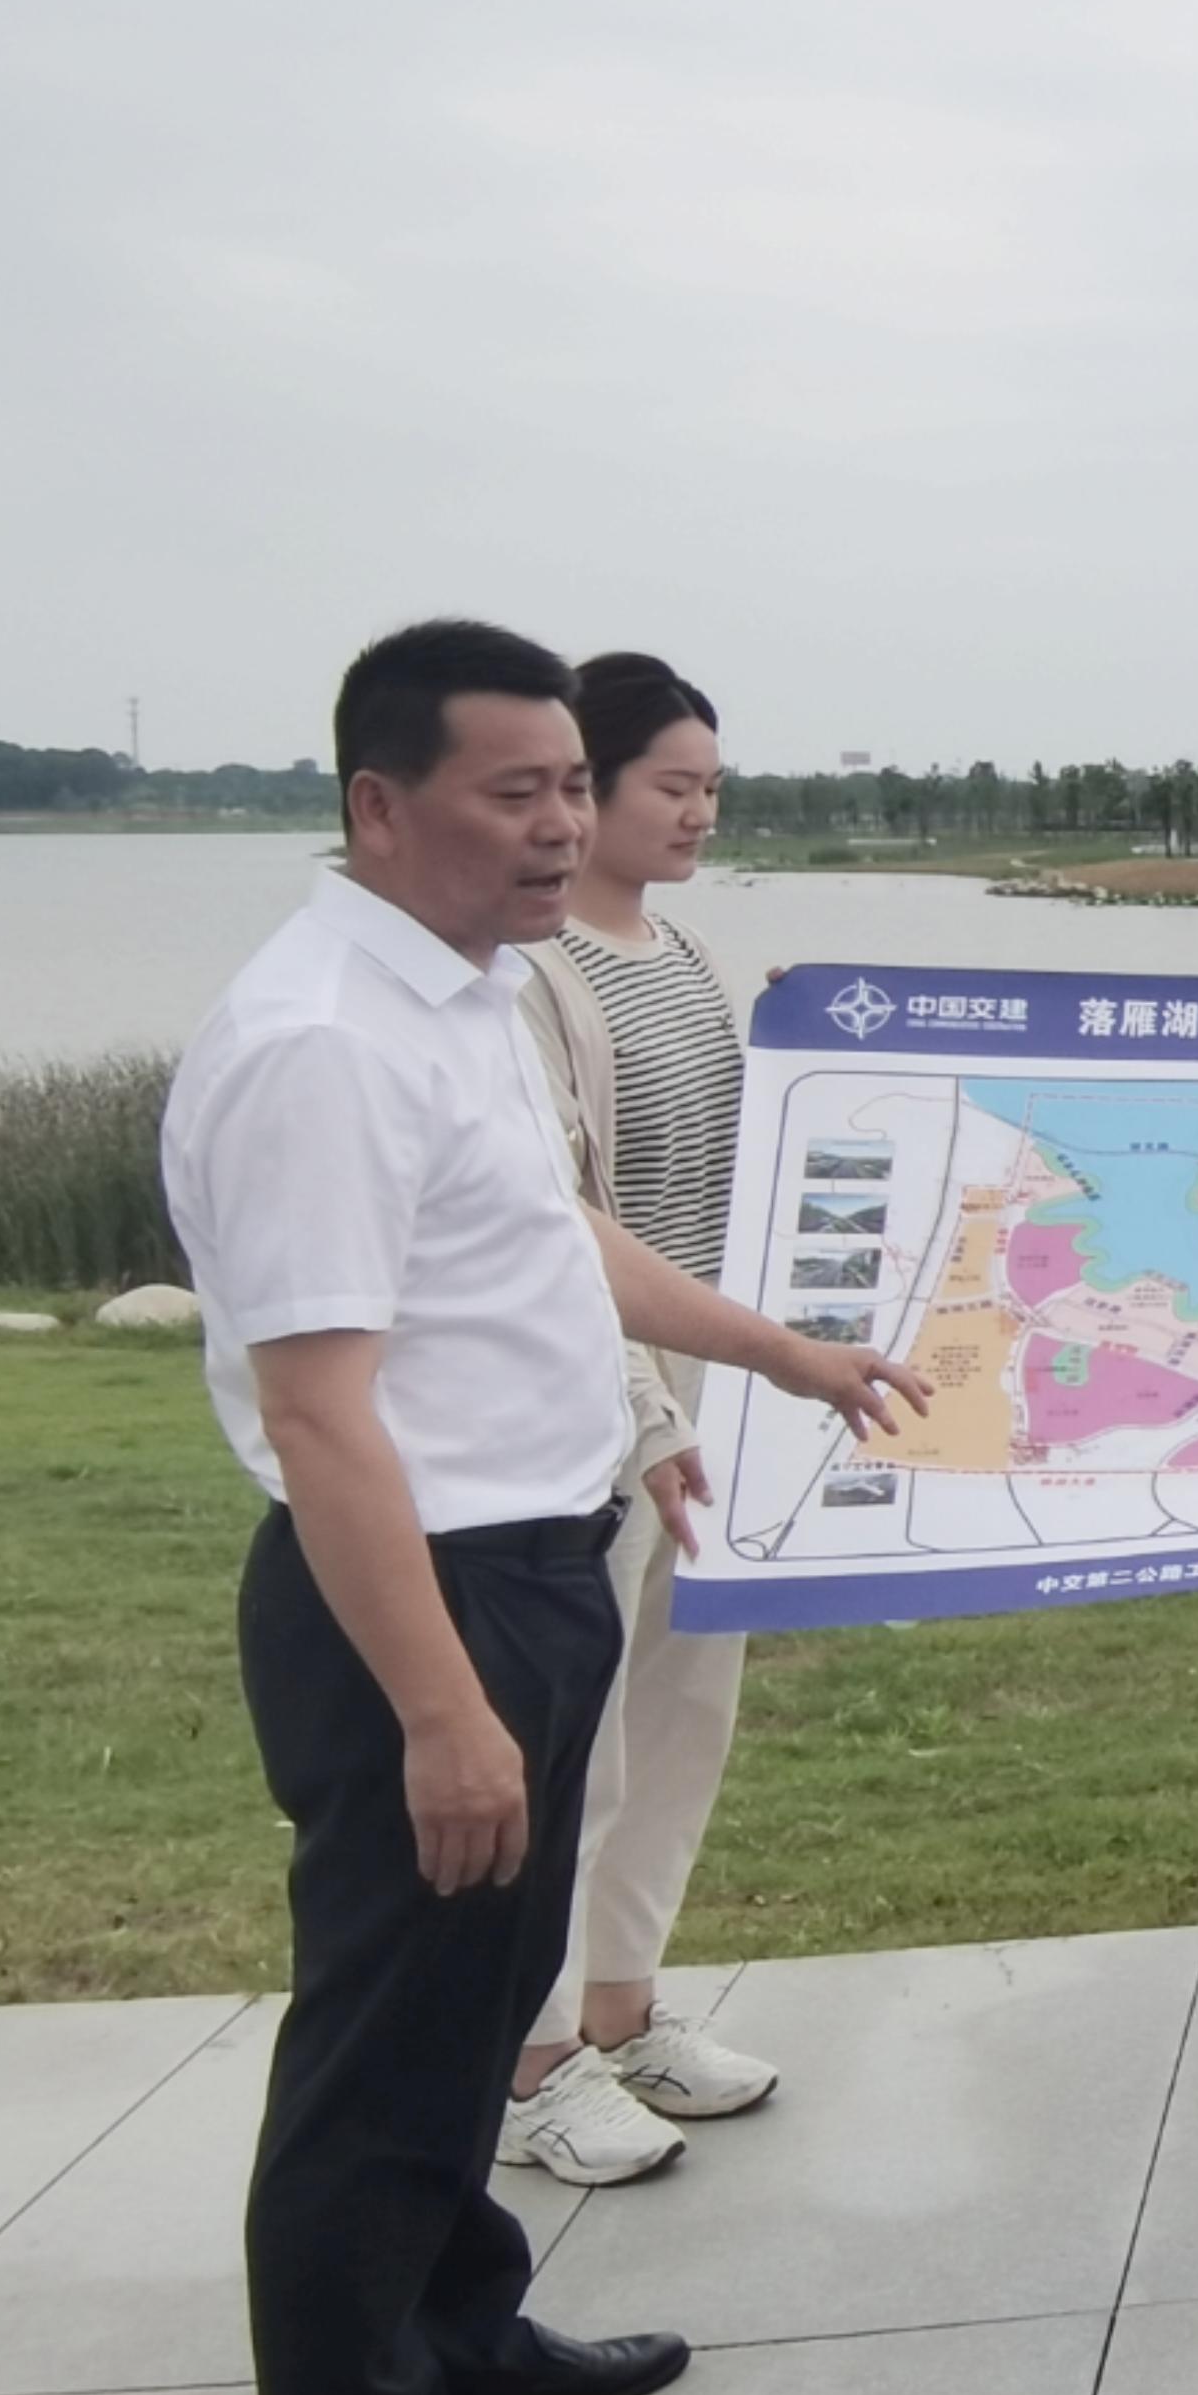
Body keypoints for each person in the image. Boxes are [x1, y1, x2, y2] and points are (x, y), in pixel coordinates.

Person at [164, 621, 921, 2395]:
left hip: (538, 1560)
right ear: (377, 804)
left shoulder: (472, 996)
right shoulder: (320, 1041)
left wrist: (781, 1350)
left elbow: (557, 1238)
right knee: (384, 2052)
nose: (560, 825)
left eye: (574, 786)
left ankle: (464, 2337)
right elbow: (323, 1414)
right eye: (516, 792)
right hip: (419, 1597)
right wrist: (439, 1710)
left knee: (480, 2008)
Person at [491, 655, 783, 2188]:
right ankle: (532, 2061)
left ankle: (624, 2006)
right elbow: (561, 1228)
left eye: (712, 789)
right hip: (598, 1396)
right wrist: (649, 1408)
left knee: (684, 1709)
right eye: (674, 785)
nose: (699, 814)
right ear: (584, 786)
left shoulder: (686, 957)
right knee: (581, 1730)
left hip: (716, 1378)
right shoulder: (529, 979)